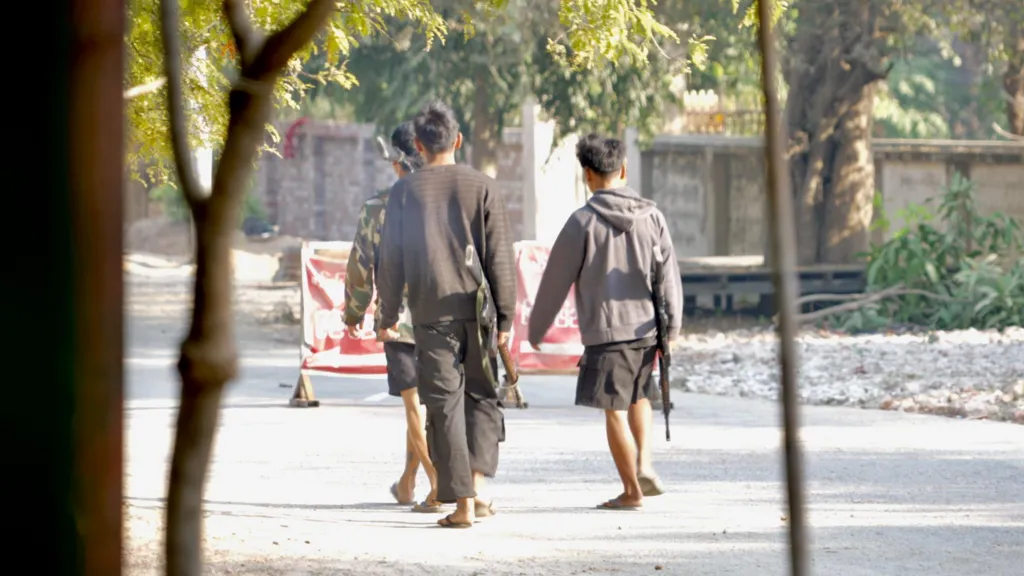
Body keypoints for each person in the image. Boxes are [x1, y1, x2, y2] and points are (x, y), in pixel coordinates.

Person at [376, 100, 516, 529]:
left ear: (417, 145)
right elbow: (501, 259)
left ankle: (464, 504)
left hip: (430, 314)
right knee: (482, 396)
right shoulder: (484, 186)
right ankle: (475, 486)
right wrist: (507, 321)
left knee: (445, 406)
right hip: (481, 312)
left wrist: (385, 313)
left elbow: (391, 261)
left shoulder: (404, 192)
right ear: (458, 139)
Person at [526, 133, 683, 511]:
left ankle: (631, 491)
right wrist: (673, 329)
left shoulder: (581, 222)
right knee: (640, 396)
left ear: (587, 175)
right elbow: (669, 276)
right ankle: (644, 461)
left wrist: (536, 328)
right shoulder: (653, 217)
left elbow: (555, 279)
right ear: (623, 169)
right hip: (647, 330)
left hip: (606, 332)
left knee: (613, 408)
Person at [343, 122, 440, 512]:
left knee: (414, 404)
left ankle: (436, 484)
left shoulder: (377, 206)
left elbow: (361, 263)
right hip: (443, 316)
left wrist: (353, 310)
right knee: (422, 404)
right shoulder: (444, 200)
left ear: (398, 161)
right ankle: (408, 482)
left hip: (396, 320)